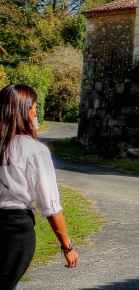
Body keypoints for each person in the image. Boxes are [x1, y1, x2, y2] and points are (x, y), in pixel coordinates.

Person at [0, 84, 78, 290]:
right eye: (34, 106)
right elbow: (50, 205)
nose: (35, 111)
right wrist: (68, 246)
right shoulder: (34, 150)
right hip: (15, 230)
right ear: (25, 109)